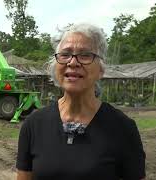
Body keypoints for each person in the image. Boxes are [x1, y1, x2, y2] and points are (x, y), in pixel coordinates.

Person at [16, 23, 146, 180]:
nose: (72, 62)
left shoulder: (123, 128)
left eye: (85, 55)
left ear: (101, 69)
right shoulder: (34, 124)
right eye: (65, 54)